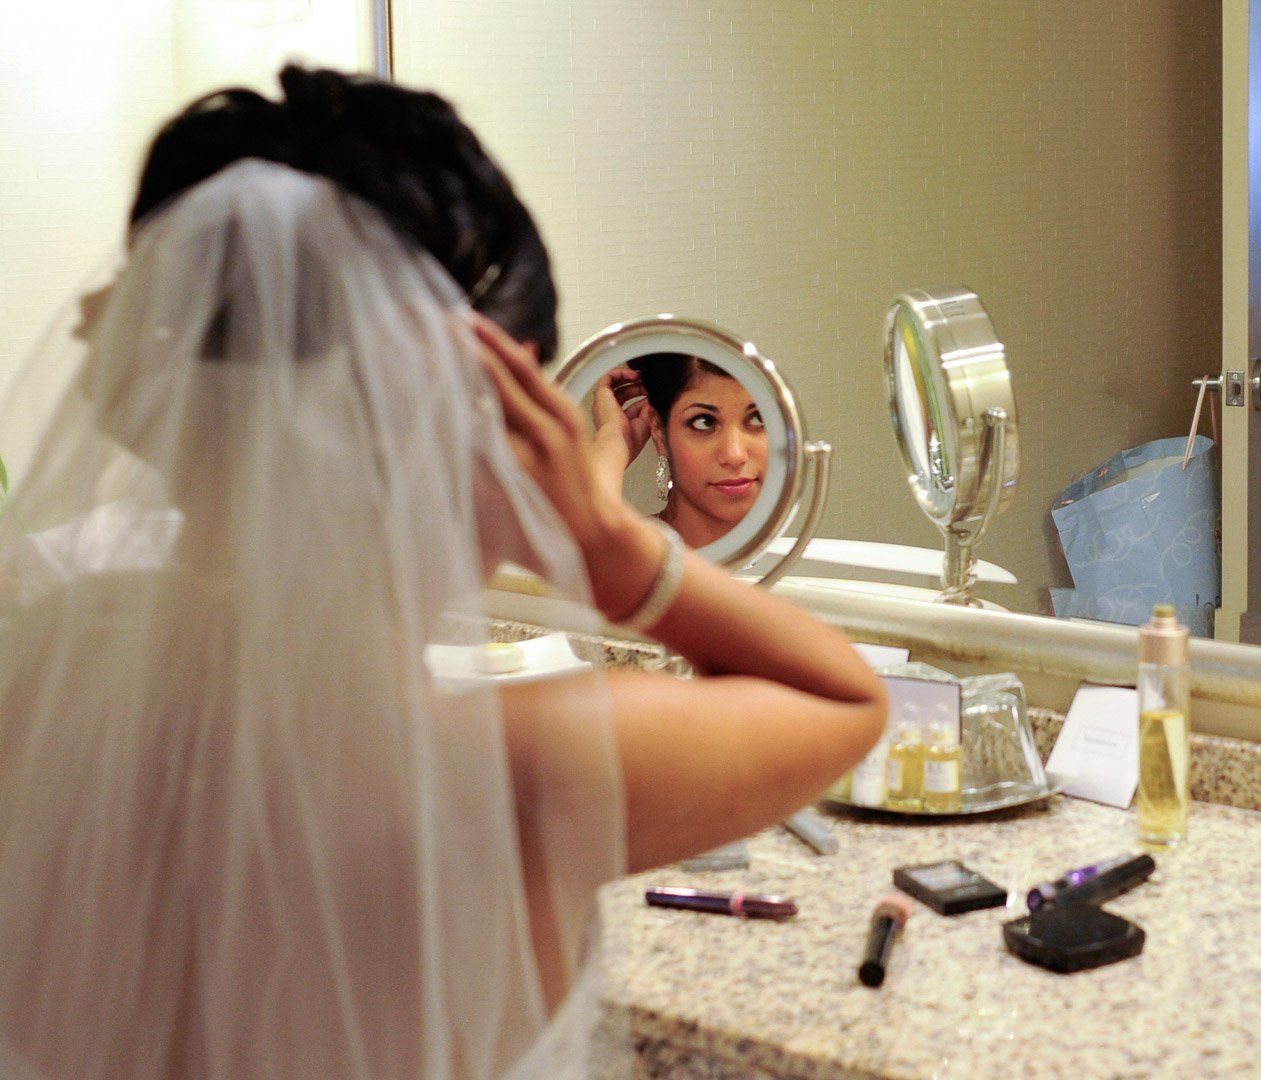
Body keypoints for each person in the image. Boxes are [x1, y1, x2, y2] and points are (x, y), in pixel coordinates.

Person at [0, 66, 886, 1080]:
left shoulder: (39, 680)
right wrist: (610, 542)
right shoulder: (509, 770)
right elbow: (845, 696)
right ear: (504, 421)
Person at [591, 354, 769, 550]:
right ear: (658, 430)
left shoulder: (800, 557)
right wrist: (615, 437)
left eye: (757, 418)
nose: (735, 455)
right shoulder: (633, 554)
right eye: (704, 422)